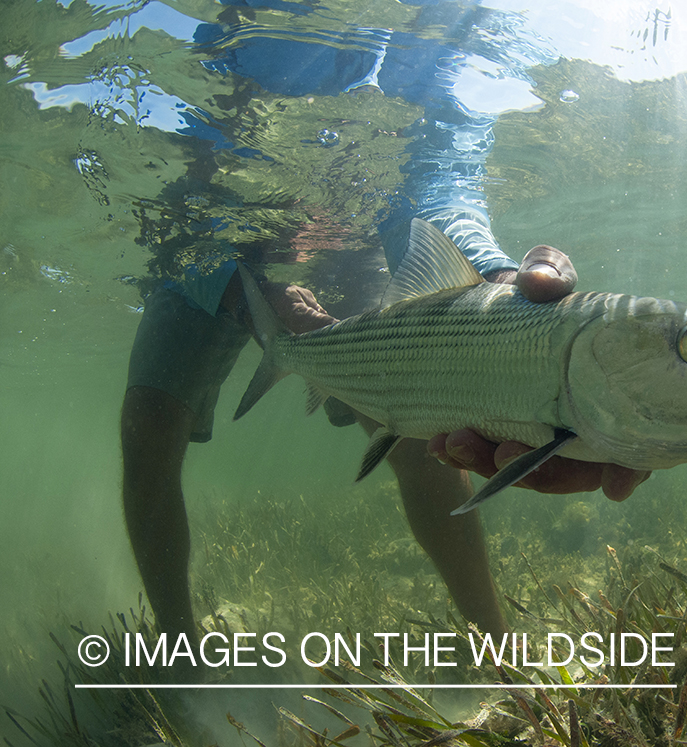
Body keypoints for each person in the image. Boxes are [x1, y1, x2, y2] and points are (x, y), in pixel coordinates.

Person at [120, 0, 648, 649]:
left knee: (417, 436)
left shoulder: (440, 28)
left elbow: (438, 189)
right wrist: (245, 289)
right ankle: (177, 653)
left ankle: (492, 648)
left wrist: (489, 279)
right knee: (147, 429)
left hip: (347, 243)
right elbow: (178, 190)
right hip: (207, 247)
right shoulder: (227, 27)